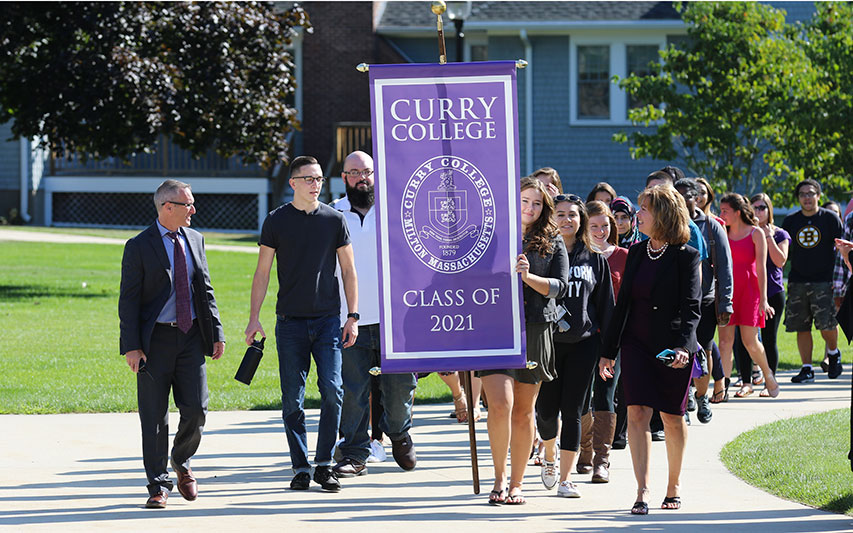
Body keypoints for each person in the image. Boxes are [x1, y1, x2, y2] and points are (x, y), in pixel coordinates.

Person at [244, 155, 359, 493]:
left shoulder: (334, 220)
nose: (315, 184)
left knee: (333, 390)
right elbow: (262, 271)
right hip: (290, 323)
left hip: (327, 321)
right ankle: (300, 467)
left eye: (319, 178)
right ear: (293, 183)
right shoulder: (276, 221)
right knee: (292, 399)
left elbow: (349, 271)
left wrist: (352, 316)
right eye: (308, 178)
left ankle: (324, 465)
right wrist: (254, 317)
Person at [119, 179, 226, 509]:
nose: (193, 210)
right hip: (154, 341)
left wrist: (217, 332)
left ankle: (181, 461)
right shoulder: (138, 246)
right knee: (154, 416)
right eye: (187, 205)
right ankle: (158, 484)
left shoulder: (196, 239)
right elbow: (129, 301)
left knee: (196, 408)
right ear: (167, 207)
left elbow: (205, 290)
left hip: (191, 337)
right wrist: (132, 346)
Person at [599, 184, 701, 514]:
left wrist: (685, 347)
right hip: (636, 343)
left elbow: (692, 307)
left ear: (663, 215)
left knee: (672, 416)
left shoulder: (687, 255)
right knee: (637, 412)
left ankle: (673, 486)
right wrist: (609, 349)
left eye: (644, 209)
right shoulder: (638, 252)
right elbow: (623, 302)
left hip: (672, 348)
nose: (637, 214)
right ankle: (641, 490)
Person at [479, 176, 569, 505]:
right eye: (524, 201)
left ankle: (517, 483)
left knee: (523, 412)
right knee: (499, 405)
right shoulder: (489, 233)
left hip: (534, 328)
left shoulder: (552, 239)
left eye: (536, 203)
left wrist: (528, 277)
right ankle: (499, 478)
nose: (530, 208)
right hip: (494, 328)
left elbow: (560, 286)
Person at [330, 151, 418, 478]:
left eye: (367, 171)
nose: (361, 178)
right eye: (354, 172)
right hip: (348, 318)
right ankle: (355, 452)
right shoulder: (332, 214)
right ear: (344, 178)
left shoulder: (398, 210)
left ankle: (398, 433)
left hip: (395, 319)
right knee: (352, 390)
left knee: (399, 387)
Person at [535, 195, 613, 498]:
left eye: (573, 215)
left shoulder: (593, 258)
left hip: (584, 343)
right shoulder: (541, 254)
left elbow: (606, 305)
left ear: (581, 220)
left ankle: (566, 478)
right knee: (545, 410)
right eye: (561, 214)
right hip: (546, 343)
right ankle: (550, 456)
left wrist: (608, 350)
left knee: (573, 410)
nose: (567, 220)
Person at [673, 178, 734, 420]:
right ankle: (684, 396)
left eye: (688, 195)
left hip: (705, 299)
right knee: (680, 350)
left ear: (697, 197)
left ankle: (702, 396)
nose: (684, 199)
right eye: (678, 194)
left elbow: (725, 267)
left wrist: (726, 302)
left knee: (703, 351)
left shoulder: (710, 226)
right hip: (676, 300)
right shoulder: (668, 224)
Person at [717, 193, 780, 398]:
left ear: (737, 212)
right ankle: (723, 387)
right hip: (727, 291)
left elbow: (761, 268)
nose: (722, 214)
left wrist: (763, 299)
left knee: (750, 341)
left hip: (750, 292)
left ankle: (768, 374)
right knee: (725, 342)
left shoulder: (756, 233)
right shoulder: (722, 231)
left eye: (725, 211)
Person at [782, 178, 844, 383]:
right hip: (797, 280)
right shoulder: (791, 221)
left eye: (811, 193)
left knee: (827, 325)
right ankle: (806, 368)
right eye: (803, 194)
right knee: (802, 326)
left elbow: (841, 251)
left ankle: (833, 354)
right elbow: (786, 252)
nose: (807, 198)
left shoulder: (830, 219)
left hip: (824, 281)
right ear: (798, 198)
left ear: (818, 196)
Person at [582, 200, 625, 482]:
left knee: (605, 394)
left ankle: (602, 460)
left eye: (605, 225)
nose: (600, 231)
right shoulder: (578, 256)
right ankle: (583, 453)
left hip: (613, 338)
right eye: (594, 226)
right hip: (583, 337)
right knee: (582, 397)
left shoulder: (624, 256)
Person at [732, 194, 790, 387]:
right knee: (742, 339)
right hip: (747, 291)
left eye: (762, 207)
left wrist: (767, 235)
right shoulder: (743, 232)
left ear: (769, 210)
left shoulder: (780, 234)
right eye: (754, 207)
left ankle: (769, 380)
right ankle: (746, 380)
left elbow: (779, 260)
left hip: (772, 292)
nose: (758, 211)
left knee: (768, 338)